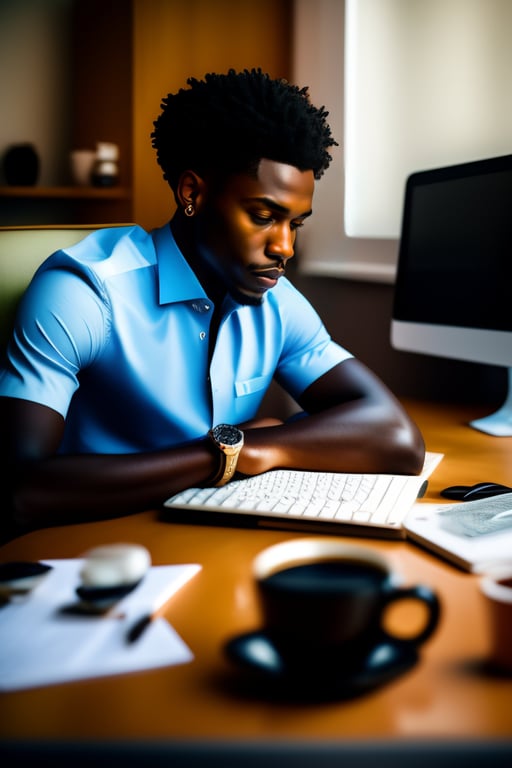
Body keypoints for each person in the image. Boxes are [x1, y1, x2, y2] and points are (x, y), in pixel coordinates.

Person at [0, 69, 424, 539]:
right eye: (263, 217)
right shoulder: (84, 292)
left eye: (295, 224)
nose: (284, 246)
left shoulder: (278, 302)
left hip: (212, 540)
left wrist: (255, 444)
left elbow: (397, 438)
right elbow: (20, 491)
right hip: (88, 551)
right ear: (192, 193)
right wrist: (224, 453)